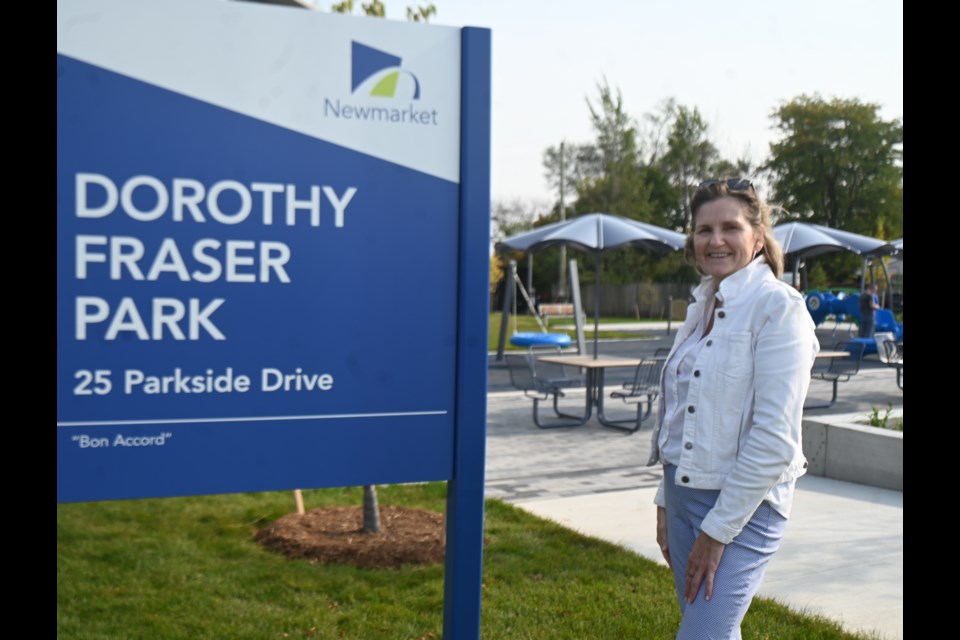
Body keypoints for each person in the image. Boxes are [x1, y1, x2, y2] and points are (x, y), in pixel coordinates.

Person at [647, 178, 819, 639]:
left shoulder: (778, 309)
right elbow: (680, 414)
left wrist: (716, 532)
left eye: (730, 227)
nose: (715, 240)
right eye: (704, 230)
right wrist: (666, 502)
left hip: (745, 507)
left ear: (757, 237)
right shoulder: (702, 303)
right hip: (684, 493)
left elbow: (774, 440)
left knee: (702, 635)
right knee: (711, 630)